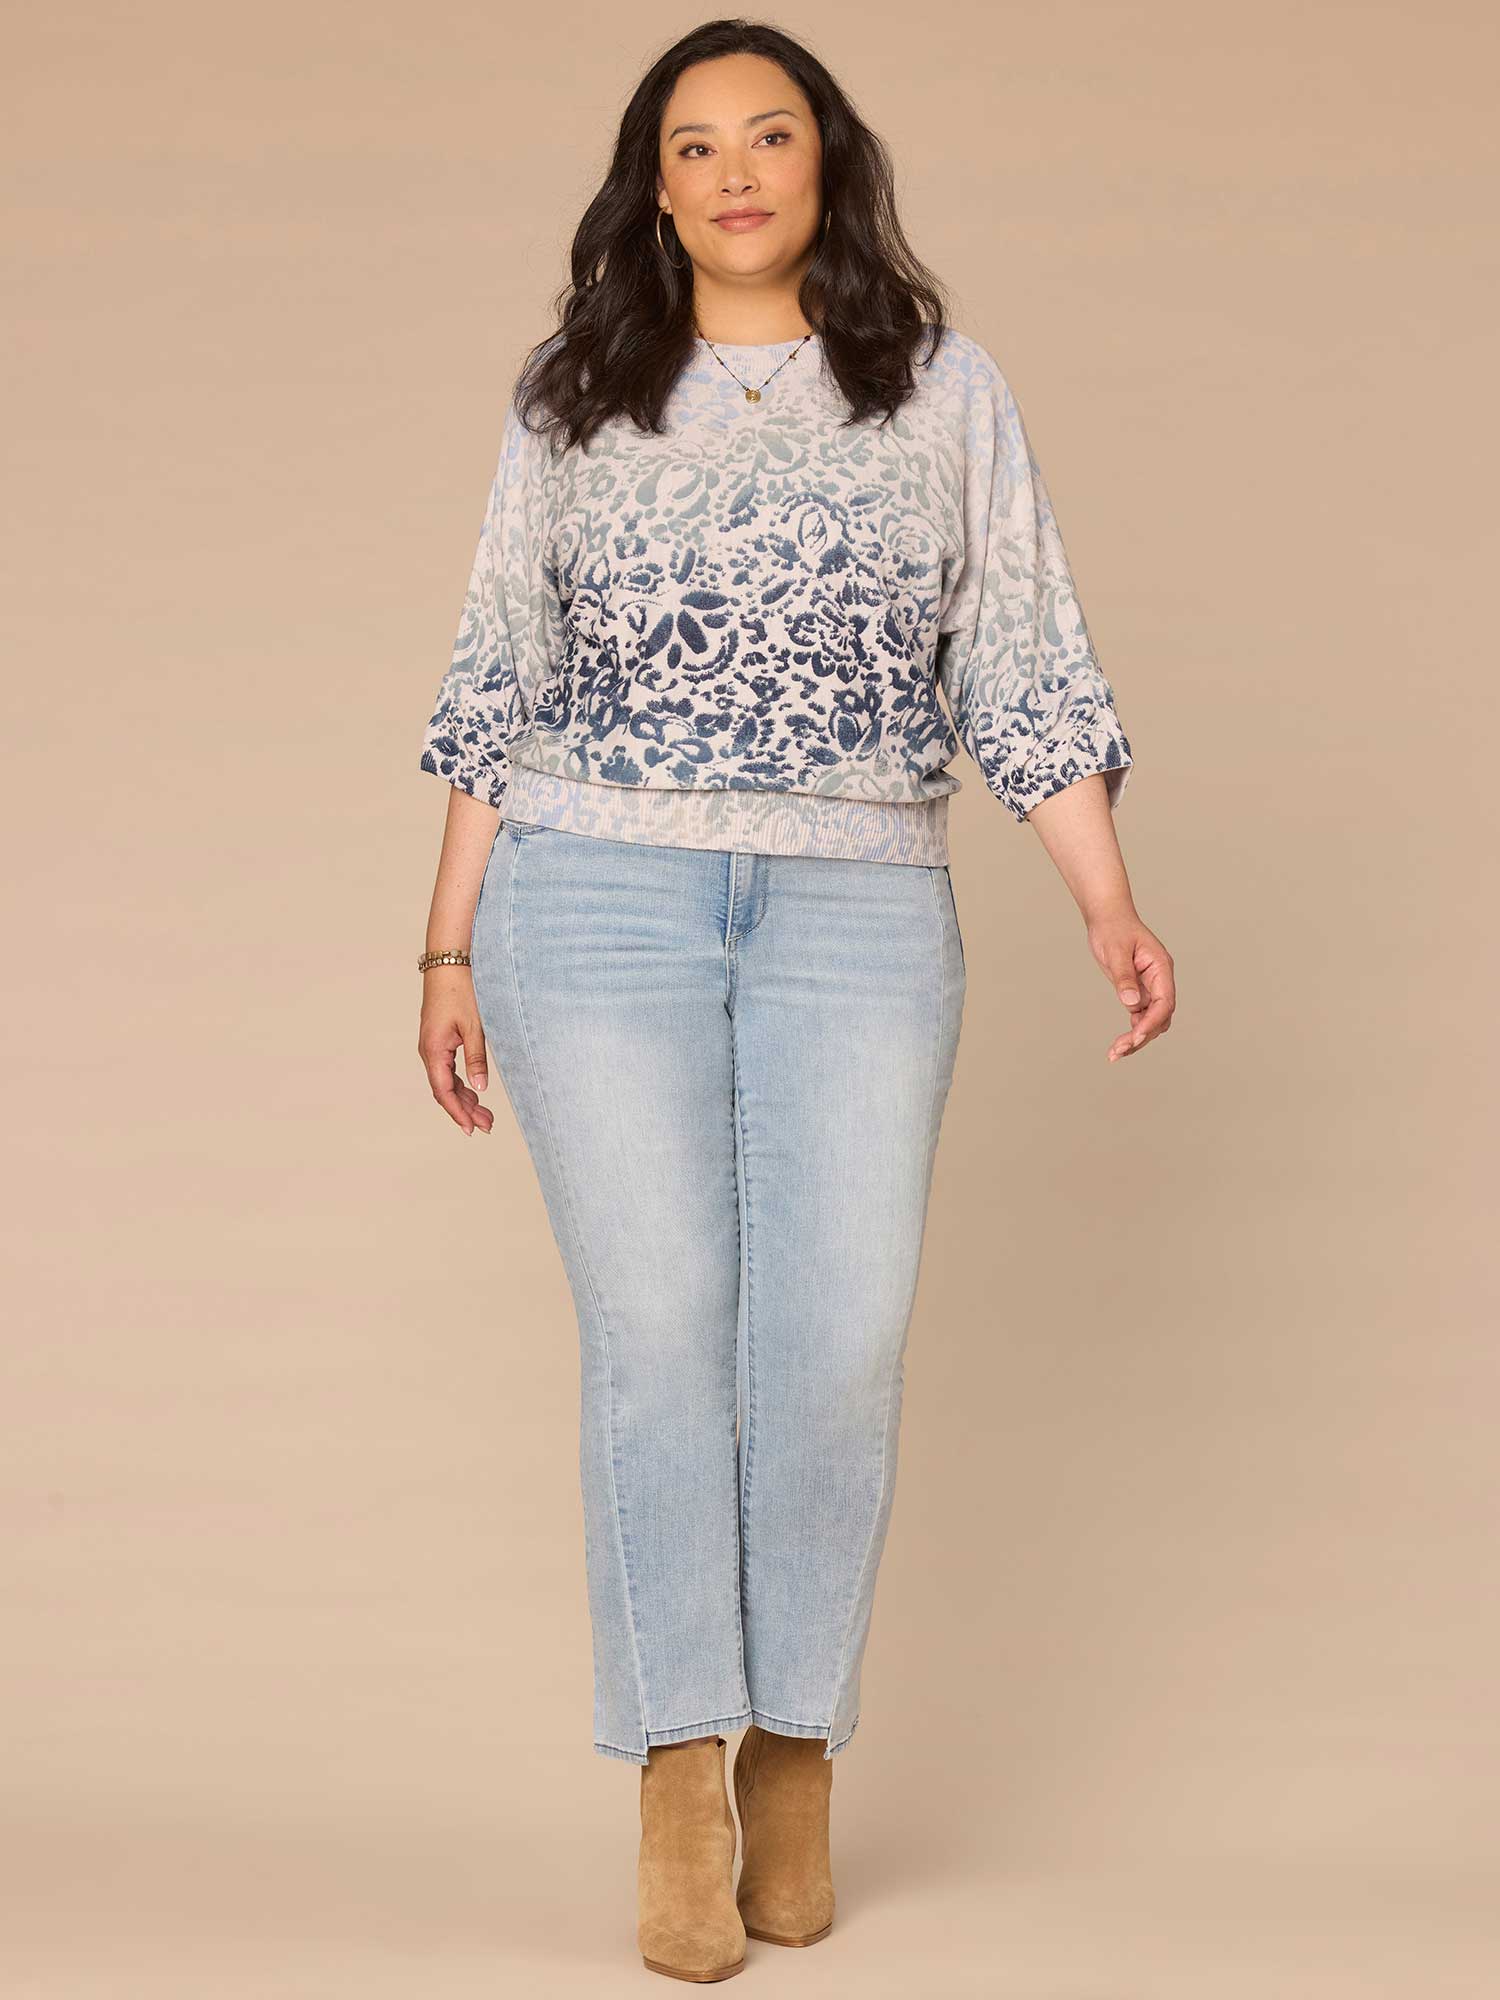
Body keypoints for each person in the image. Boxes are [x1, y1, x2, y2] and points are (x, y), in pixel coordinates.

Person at [415, 20, 1176, 1984]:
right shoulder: (575, 394)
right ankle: (679, 1769)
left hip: (859, 905)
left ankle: (796, 1747)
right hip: (595, 898)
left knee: (836, 1345)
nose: (737, 169)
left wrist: (1106, 901)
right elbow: (498, 672)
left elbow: (1020, 653)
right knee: (661, 1335)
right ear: (654, 188)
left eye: (771, 135)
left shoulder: (942, 389)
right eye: (696, 145)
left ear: (830, 163)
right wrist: (447, 945)